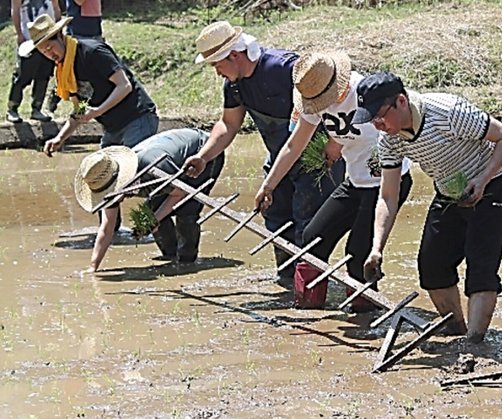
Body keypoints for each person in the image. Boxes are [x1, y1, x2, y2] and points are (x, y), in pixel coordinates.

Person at [357, 72, 502, 343]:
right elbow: (388, 196)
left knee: (481, 266)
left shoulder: (447, 112)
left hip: (493, 182)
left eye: (381, 116)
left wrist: (483, 180)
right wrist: (376, 248)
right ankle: (456, 330)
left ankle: (474, 342)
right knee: (432, 266)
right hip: (450, 190)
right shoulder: (390, 141)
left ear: (401, 101)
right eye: (372, 120)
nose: (378, 125)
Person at [255, 52, 413, 311]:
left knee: (357, 254)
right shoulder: (315, 100)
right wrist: (269, 185)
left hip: (385, 182)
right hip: (355, 181)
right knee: (313, 238)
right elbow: (295, 144)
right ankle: (308, 308)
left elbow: (396, 132)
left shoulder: (364, 95)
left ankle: (364, 318)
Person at [182, 21, 339, 282]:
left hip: (316, 161)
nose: (218, 73)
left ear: (234, 55)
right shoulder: (234, 85)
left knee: (307, 223)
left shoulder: (285, 68)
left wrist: (335, 145)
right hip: (279, 160)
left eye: (217, 65)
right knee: (276, 218)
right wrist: (204, 155)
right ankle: (288, 281)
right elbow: (229, 124)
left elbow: (329, 101)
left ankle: (310, 287)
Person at [75, 129, 225, 272]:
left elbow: (181, 194)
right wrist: (93, 266)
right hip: (170, 161)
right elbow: (106, 229)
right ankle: (171, 255)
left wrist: (151, 222)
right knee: (151, 210)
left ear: (121, 183)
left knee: (187, 210)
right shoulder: (106, 182)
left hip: (204, 150)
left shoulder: (152, 168)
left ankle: (187, 263)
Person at [21, 14, 159, 155]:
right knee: (103, 171)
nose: (49, 54)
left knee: (135, 169)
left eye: (50, 47)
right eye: (44, 52)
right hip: (112, 127)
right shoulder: (65, 71)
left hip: (137, 118)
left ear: (60, 36)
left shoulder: (92, 52)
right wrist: (60, 138)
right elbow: (79, 110)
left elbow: (124, 86)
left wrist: (97, 111)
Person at [7, 0, 60, 123]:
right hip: (29, 38)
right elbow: (15, 10)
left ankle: (37, 108)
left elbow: (56, 7)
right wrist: (19, 34)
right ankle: (12, 109)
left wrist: (58, 31)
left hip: (49, 36)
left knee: (44, 75)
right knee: (22, 76)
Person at [47, 0, 103, 113]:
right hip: (79, 29)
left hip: (93, 28)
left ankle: (82, 108)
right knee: (71, 69)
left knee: (89, 73)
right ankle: (57, 93)